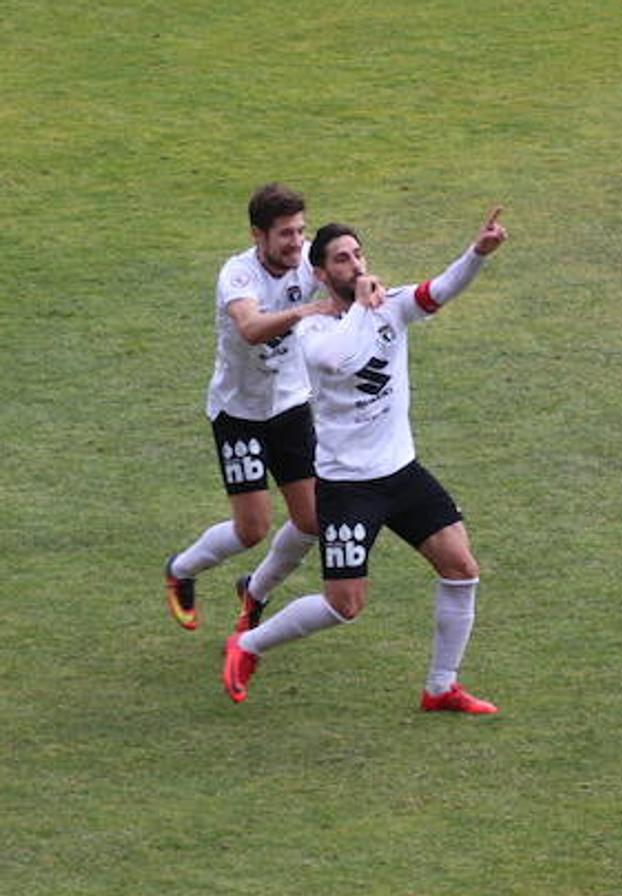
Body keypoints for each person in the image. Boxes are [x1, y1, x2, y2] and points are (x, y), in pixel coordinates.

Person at [221, 207, 508, 714]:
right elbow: (342, 359)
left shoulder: (391, 306)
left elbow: (439, 289)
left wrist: (477, 254)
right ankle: (247, 646)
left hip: (402, 473)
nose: (354, 264)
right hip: (348, 487)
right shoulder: (311, 330)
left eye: (358, 255)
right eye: (341, 258)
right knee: (344, 606)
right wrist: (359, 306)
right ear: (320, 273)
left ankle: (440, 687)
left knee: (461, 568)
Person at [165, 183, 335, 634]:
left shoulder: (308, 261)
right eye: (285, 234)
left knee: (313, 520)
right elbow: (250, 327)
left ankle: (253, 591)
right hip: (238, 413)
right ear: (257, 235)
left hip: (291, 406)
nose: (296, 242)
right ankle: (181, 570)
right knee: (252, 528)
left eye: (300, 231)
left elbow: (347, 278)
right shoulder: (238, 275)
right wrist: (304, 313)